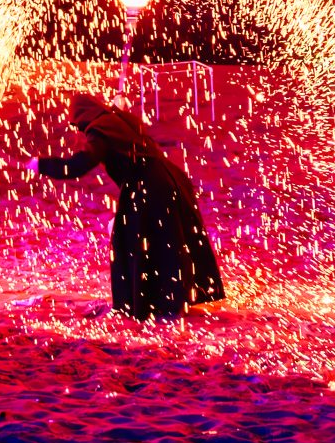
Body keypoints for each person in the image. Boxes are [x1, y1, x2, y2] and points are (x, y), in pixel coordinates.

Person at [15, 93, 226, 321]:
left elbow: (80, 164)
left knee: (138, 242)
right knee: (169, 240)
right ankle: (175, 297)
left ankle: (154, 303)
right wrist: (119, 108)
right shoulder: (119, 120)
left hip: (148, 187)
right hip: (170, 179)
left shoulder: (100, 130)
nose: (79, 130)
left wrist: (41, 165)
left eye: (77, 125)